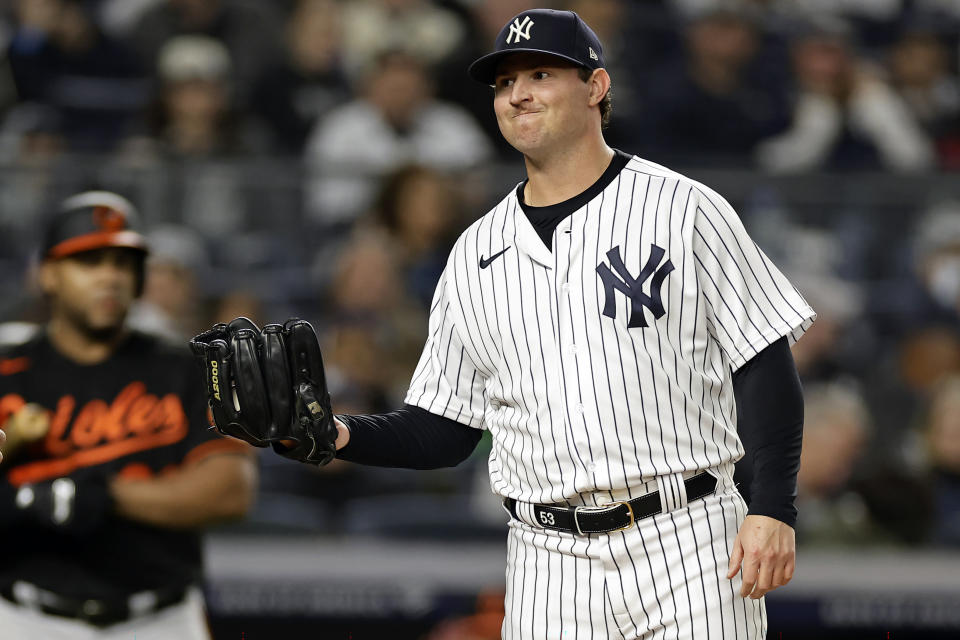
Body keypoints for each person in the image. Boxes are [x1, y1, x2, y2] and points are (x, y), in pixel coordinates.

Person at [203, 9, 814, 638]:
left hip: (686, 538)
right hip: (546, 558)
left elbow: (764, 366)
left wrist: (773, 508)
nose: (518, 93)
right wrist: (337, 434)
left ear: (596, 87)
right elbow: (443, 429)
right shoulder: (475, 250)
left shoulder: (684, 207)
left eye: (541, 74)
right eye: (503, 82)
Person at [0, 191, 256, 639]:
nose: (110, 278)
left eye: (122, 263)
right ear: (48, 275)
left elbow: (230, 491)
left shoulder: (187, 367)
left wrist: (106, 496)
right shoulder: (8, 369)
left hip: (161, 620)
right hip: (26, 618)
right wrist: (24, 500)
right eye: (89, 262)